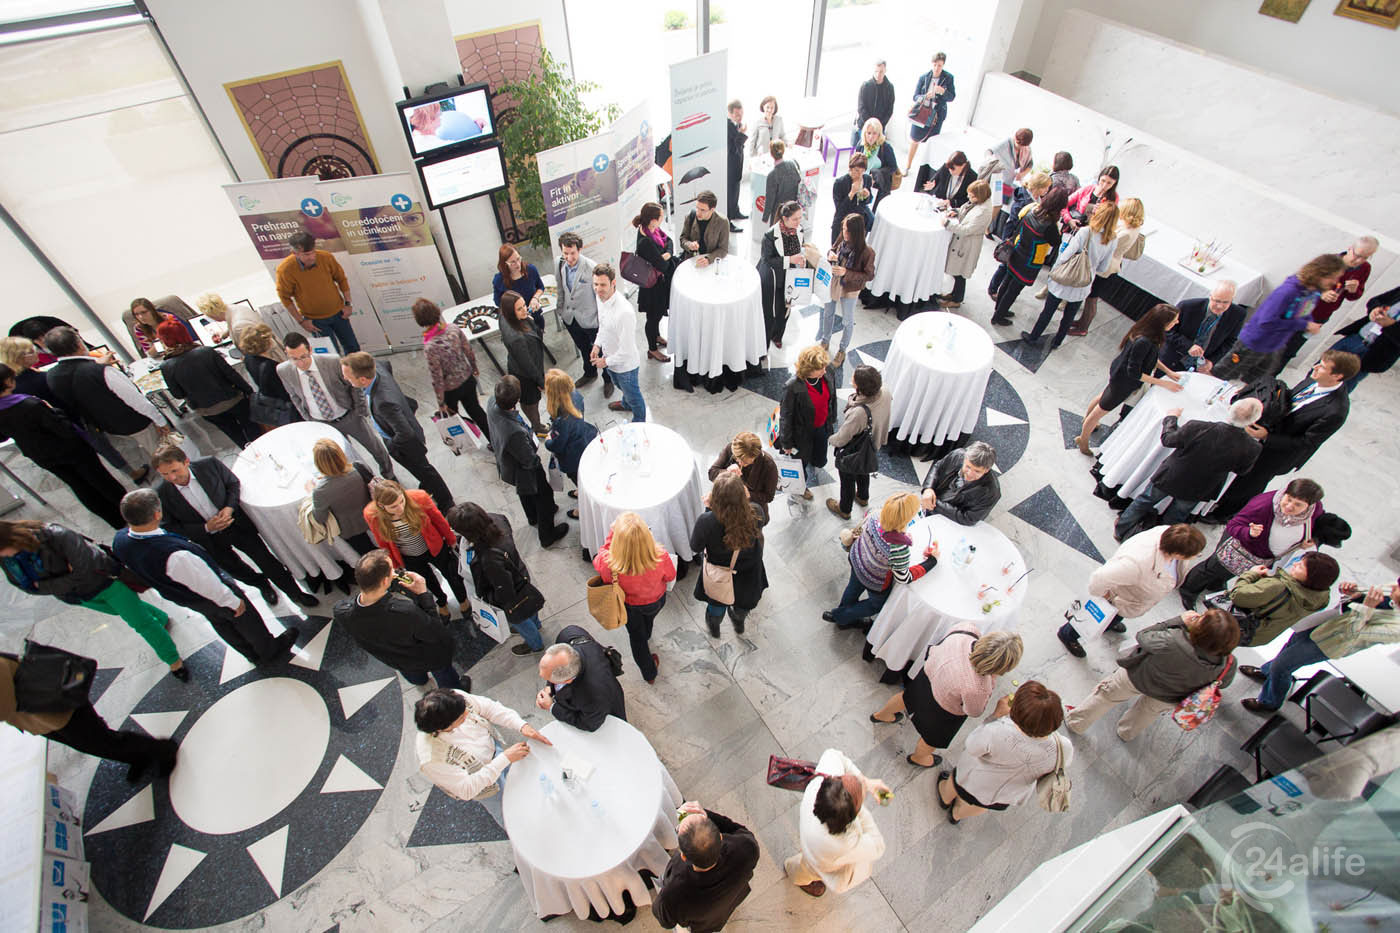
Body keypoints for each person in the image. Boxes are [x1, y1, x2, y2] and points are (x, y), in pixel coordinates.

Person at [113, 488, 297, 665]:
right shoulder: (173, 555)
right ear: (156, 515)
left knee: (221, 624)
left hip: (183, 596)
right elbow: (205, 584)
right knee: (245, 619)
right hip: (207, 595)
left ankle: (250, 654)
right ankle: (270, 650)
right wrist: (232, 601)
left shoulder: (120, 540)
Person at [0, 520, 186, 679]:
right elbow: (26, 587)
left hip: (106, 582)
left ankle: (172, 660)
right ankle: (161, 618)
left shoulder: (55, 536)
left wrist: (44, 585)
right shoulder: (8, 560)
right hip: (79, 596)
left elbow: (83, 570)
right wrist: (61, 582)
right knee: (124, 610)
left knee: (141, 623)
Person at [151, 444, 319, 608]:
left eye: (174, 470)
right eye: (165, 474)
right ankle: (261, 584)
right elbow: (170, 526)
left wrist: (229, 508)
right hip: (209, 539)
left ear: (186, 461)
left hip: (235, 524)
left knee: (266, 561)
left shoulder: (208, 464)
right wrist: (206, 528)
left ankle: (295, 593)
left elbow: (232, 484)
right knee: (236, 570)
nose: (172, 478)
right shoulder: (161, 493)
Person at [1210, 350, 1359, 516]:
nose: (1315, 367)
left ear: (1337, 376)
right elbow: (1290, 400)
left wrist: (1267, 437)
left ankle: (1224, 514)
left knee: (1248, 483)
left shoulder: (1335, 411)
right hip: (1267, 432)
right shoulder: (1314, 379)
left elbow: (1307, 442)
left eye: (1322, 367)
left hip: (1278, 453)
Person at [1, 652, 177, 784]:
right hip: (35, 717)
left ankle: (162, 750)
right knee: (90, 744)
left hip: (53, 704)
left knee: (101, 741)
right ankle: (137, 757)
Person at [1066, 609, 1239, 741]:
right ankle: (1126, 733)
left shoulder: (1172, 639)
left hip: (1137, 676)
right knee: (1146, 713)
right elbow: (1223, 683)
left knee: (1106, 697)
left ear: (1200, 630)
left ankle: (1077, 723)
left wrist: (1178, 620)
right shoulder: (1228, 664)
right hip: (1170, 696)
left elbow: (1143, 636)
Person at [1113, 398, 1264, 542]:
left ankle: (1121, 529)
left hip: (1172, 476)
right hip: (1201, 487)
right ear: (1253, 421)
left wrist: (1171, 418)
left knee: (1145, 501)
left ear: (1230, 409)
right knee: (1177, 516)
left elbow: (1168, 439)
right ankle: (1161, 542)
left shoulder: (1198, 427)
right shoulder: (1252, 447)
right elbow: (1242, 471)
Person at [870, 627, 1023, 768]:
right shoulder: (980, 687)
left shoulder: (966, 631)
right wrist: (992, 681)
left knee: (904, 698)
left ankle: (882, 715)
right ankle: (919, 758)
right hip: (944, 710)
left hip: (926, 679)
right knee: (932, 738)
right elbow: (973, 711)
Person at [1241, 580, 1400, 713]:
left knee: (1282, 665)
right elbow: (1354, 601)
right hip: (1325, 621)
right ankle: (1267, 672)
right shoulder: (1392, 589)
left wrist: (1367, 607)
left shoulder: (1396, 629)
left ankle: (1269, 702)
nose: (1394, 586)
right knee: (1290, 646)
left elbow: (1353, 634)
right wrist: (1351, 593)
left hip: (1331, 642)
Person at [0, 365, 126, 528]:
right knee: (103, 481)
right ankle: (133, 513)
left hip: (41, 455)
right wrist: (52, 410)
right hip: (70, 449)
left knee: (80, 487)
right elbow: (63, 429)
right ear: (8, 382)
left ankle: (116, 522)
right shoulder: (29, 404)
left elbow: (2, 437)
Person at [1057, 524, 1207, 659]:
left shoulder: (1169, 535)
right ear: (1179, 553)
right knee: (1091, 620)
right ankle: (1068, 635)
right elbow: (1098, 579)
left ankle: (1109, 624)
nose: (1196, 557)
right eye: (1196, 555)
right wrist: (1105, 596)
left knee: (1115, 617)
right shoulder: (1136, 564)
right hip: (1116, 601)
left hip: (1129, 602)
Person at [414, 688, 548, 831]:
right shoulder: (431, 759)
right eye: (461, 718)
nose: (468, 713)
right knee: (506, 812)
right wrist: (505, 758)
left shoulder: (455, 700)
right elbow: (466, 789)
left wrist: (521, 725)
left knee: (520, 784)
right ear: (443, 727)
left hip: (497, 753)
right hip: (484, 785)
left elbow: (488, 708)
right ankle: (523, 833)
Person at [1180, 479, 1326, 609]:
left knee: (1233, 572)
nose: (1289, 506)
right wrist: (1249, 533)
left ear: (1309, 506)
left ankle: (1215, 584)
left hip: (1264, 557)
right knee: (1212, 568)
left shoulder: (1315, 510)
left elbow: (1322, 525)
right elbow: (1233, 525)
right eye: (1288, 499)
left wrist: (1314, 539)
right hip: (1240, 547)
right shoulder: (1263, 505)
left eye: (1298, 505)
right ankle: (1189, 590)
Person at [938, 680, 1068, 825]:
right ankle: (956, 815)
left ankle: (944, 798)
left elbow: (972, 745)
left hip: (974, 780)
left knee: (954, 784)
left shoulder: (999, 731)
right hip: (1005, 794)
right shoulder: (1064, 747)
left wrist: (995, 716)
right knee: (982, 806)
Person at [44, 325, 171, 472]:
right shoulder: (102, 372)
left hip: (105, 427)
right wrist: (160, 421)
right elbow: (137, 401)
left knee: (145, 456)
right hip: (136, 423)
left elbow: (79, 382)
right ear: (79, 343)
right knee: (163, 456)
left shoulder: (52, 376)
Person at [334, 550, 465, 689]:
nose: (396, 572)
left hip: (395, 659)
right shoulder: (405, 612)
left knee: (411, 672)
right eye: (392, 570)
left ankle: (420, 681)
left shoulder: (341, 611)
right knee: (443, 671)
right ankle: (454, 689)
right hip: (427, 656)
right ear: (385, 581)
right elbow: (436, 632)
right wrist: (423, 595)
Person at [276, 332, 394, 478]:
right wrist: (309, 419)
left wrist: (359, 411)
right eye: (294, 359)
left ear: (310, 350)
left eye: (303, 357)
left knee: (374, 447)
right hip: (322, 423)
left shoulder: (332, 362)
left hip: (348, 416)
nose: (300, 363)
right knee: (344, 458)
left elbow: (353, 387)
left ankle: (389, 474)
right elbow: (294, 396)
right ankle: (364, 480)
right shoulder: (283, 370)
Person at [1214, 254, 1347, 382]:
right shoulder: (1288, 291)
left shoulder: (1313, 293)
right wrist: (1304, 325)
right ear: (1320, 273)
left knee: (1255, 383)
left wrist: (1309, 323)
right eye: (1333, 277)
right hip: (1253, 344)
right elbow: (1266, 322)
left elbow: (1304, 313)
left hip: (1275, 345)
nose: (1335, 282)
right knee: (1222, 375)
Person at [1073, 304, 1185, 455]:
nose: (1177, 322)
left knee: (1103, 396)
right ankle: (1083, 440)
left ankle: (1087, 420)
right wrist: (1163, 383)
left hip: (1119, 375)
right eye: (1174, 320)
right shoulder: (1144, 341)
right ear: (1162, 322)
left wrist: (1168, 372)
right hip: (1123, 381)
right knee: (1100, 411)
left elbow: (1150, 358)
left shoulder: (1148, 333)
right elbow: (1134, 373)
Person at [823, 492, 938, 629]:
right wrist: (931, 561)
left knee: (852, 588)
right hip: (874, 579)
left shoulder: (875, 515)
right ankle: (841, 617)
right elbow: (903, 577)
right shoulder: (898, 547)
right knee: (876, 605)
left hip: (857, 560)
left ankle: (843, 618)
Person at [785, 748, 889, 897]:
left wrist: (864, 782)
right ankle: (797, 877)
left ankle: (795, 868)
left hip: (808, 835)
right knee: (807, 871)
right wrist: (861, 809)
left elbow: (833, 754)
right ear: (851, 816)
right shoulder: (844, 844)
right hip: (818, 858)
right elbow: (878, 846)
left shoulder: (820, 783)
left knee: (805, 864)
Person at [447, 502, 546, 656]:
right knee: (529, 607)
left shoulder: (489, 558)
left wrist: (490, 600)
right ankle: (536, 624)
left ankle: (535, 644)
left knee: (519, 620)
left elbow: (505, 592)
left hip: (513, 593)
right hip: (520, 573)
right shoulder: (497, 519)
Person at [1021, 200, 1121, 349]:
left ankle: (1034, 337)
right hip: (1084, 282)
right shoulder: (1112, 239)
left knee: (1048, 311)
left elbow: (1066, 255)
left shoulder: (1086, 232)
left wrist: (1055, 269)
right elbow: (1103, 267)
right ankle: (1057, 342)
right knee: (1069, 315)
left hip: (1065, 277)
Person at [363, 479, 469, 618]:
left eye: (402, 501)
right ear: (381, 506)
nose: (400, 508)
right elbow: (382, 541)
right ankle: (441, 603)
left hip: (435, 547)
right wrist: (394, 563)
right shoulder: (372, 515)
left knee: (452, 575)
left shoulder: (419, 498)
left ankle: (463, 600)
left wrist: (451, 540)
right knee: (427, 582)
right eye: (393, 507)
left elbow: (439, 521)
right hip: (409, 557)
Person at [652, 801, 760, 933]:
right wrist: (707, 815)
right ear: (720, 836)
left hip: (703, 926)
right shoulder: (747, 849)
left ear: (684, 856)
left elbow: (665, 920)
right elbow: (736, 829)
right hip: (731, 902)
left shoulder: (672, 895)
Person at [486, 377, 569, 547]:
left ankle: (532, 517)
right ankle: (547, 535)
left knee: (525, 492)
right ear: (517, 400)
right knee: (544, 495)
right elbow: (529, 459)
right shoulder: (514, 432)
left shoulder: (492, 402)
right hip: (522, 468)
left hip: (508, 463)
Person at [594, 512, 675, 683]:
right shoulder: (660, 555)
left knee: (637, 638)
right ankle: (647, 633)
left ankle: (649, 674)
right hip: (656, 601)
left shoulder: (610, 564)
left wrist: (611, 535)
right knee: (648, 620)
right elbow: (670, 576)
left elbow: (599, 557)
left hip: (629, 606)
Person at [1277, 237, 1379, 369]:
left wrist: (1354, 290)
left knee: (1291, 350)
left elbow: (1353, 296)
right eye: (1357, 255)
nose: (1358, 261)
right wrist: (1321, 293)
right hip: (1299, 311)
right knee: (1277, 342)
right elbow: (1300, 282)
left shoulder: (1365, 268)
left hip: (1320, 316)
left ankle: (1272, 377)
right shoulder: (1328, 262)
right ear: (1350, 249)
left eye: (1365, 257)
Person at [157, 319, 258, 448]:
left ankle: (248, 452)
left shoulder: (166, 366)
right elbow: (231, 375)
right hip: (233, 399)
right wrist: (249, 391)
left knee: (235, 434)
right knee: (252, 430)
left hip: (207, 410)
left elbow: (177, 394)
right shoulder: (206, 351)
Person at [691, 472, 768, 637]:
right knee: (742, 607)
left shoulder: (706, 522)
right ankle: (739, 624)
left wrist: (709, 508)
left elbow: (695, 546)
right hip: (749, 576)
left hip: (719, 575)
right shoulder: (756, 512)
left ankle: (715, 629)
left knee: (716, 607)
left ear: (715, 497)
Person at [414, 298, 490, 445]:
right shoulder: (453, 329)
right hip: (467, 378)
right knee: (476, 411)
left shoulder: (430, 346)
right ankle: (494, 440)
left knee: (454, 419)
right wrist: (474, 368)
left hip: (450, 390)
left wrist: (441, 402)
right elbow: (468, 350)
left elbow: (437, 377)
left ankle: (464, 444)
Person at [1225, 551, 1338, 647]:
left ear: (1310, 577)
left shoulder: (1277, 587)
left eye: (1300, 566)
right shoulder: (1320, 599)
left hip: (1233, 627)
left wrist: (1252, 574)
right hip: (1257, 636)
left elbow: (1237, 595)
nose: (1295, 564)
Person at [989, 186, 1067, 326]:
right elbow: (1056, 242)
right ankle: (998, 316)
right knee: (1014, 290)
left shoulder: (1032, 209)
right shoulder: (1050, 225)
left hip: (1017, 251)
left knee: (1007, 282)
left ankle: (999, 309)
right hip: (1030, 260)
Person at [1068, 196, 1143, 337]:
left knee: (1092, 298)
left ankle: (1083, 327)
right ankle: (1081, 322)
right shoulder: (1132, 227)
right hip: (1110, 264)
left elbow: (1108, 243)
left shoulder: (1126, 232)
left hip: (1107, 268)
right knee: (1090, 296)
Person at [276, 231, 358, 353]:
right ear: (295, 253)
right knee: (330, 355)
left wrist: (348, 304)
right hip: (315, 321)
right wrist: (301, 321)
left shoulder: (326, 257)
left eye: (313, 252)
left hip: (339, 313)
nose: (312, 257)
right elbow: (284, 297)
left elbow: (341, 279)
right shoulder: (285, 270)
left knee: (353, 348)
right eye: (306, 254)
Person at [827, 366, 891, 520]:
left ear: (860, 387)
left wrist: (830, 439)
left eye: (854, 378)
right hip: (871, 444)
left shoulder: (859, 413)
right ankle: (863, 497)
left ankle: (844, 509)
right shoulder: (885, 392)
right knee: (863, 470)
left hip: (854, 451)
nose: (851, 379)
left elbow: (842, 438)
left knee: (847, 479)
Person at [536, 625, 626, 731]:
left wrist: (552, 707)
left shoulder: (594, 696)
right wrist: (549, 687)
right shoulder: (569, 634)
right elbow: (552, 665)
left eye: (549, 679)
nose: (540, 675)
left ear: (568, 680)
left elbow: (589, 724)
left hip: (606, 710)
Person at [779, 345, 838, 499]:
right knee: (800, 463)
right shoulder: (792, 387)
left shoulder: (828, 373)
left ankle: (815, 460)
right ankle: (801, 486)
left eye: (824, 366)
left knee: (820, 458)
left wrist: (832, 419)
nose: (824, 370)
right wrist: (786, 443)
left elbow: (832, 399)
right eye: (820, 368)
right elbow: (786, 417)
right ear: (808, 369)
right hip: (802, 434)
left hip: (822, 427)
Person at [983, 172, 1052, 303]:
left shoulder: (1033, 198)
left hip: (1019, 239)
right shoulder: (1025, 201)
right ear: (1038, 186)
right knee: (1005, 265)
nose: (1047, 190)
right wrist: (1008, 240)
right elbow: (1012, 222)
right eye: (1046, 187)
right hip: (1014, 239)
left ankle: (997, 290)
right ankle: (993, 289)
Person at [590, 263, 646, 420]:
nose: (598, 289)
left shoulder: (624, 312)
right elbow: (603, 325)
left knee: (635, 398)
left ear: (613, 283)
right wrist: (597, 345)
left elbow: (626, 351)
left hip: (625, 367)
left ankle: (639, 422)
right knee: (621, 387)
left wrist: (605, 362)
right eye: (595, 284)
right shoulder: (600, 297)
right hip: (610, 361)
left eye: (602, 285)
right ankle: (626, 404)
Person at [817, 214, 876, 363]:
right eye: (843, 229)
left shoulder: (867, 252)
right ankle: (825, 340)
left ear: (856, 232)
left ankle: (842, 350)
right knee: (828, 313)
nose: (844, 233)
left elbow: (869, 275)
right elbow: (832, 249)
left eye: (848, 231)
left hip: (850, 288)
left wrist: (846, 272)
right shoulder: (842, 238)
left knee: (847, 320)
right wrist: (831, 254)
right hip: (834, 282)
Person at [555, 233, 609, 393]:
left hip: (591, 320)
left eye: (572, 253)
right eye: (565, 253)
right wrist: (560, 310)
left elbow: (601, 298)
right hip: (571, 318)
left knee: (602, 351)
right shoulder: (559, 263)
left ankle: (608, 379)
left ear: (579, 249)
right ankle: (590, 373)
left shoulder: (592, 268)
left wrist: (602, 321)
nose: (569, 257)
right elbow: (560, 287)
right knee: (583, 348)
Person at [1159, 280, 1248, 373]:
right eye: (1217, 300)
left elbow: (1230, 341)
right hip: (1171, 360)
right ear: (1210, 296)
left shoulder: (1238, 314)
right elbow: (1166, 330)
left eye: (1226, 302)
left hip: (1198, 366)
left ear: (1232, 300)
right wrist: (1188, 346)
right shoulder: (1187, 306)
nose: (1220, 306)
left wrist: (1212, 361)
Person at [543, 369, 596, 518]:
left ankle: (584, 509)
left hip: (572, 455)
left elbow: (558, 445)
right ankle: (581, 490)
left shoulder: (562, 419)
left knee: (579, 480)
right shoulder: (576, 395)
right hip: (583, 439)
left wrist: (548, 441)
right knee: (581, 476)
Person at [1327, 283, 1400, 391]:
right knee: (1319, 370)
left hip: (1373, 353)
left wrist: (1391, 325)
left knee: (1339, 388)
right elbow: (1375, 300)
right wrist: (1374, 308)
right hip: (1355, 338)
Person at [497, 290, 551, 433]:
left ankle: (536, 424)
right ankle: (537, 426)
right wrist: (540, 382)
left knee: (530, 400)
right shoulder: (516, 338)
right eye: (519, 309)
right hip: (525, 375)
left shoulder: (505, 316)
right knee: (531, 402)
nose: (525, 310)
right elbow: (528, 365)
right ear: (510, 312)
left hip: (522, 364)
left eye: (524, 305)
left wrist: (530, 320)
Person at [936, 179, 996, 309]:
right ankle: (954, 295)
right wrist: (957, 212)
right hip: (963, 243)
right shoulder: (978, 203)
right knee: (957, 271)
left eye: (972, 196)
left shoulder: (983, 212)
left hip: (967, 246)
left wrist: (947, 224)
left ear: (979, 196)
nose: (969, 197)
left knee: (960, 273)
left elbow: (967, 230)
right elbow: (967, 211)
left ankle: (957, 299)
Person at [310, 438, 376, 555]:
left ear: (318, 464)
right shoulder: (358, 467)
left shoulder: (320, 491)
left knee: (368, 553)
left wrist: (312, 491)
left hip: (351, 529)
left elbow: (319, 518)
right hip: (373, 514)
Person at [757, 201, 806, 349]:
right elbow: (767, 260)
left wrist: (801, 259)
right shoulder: (770, 236)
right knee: (770, 311)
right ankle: (764, 343)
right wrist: (790, 260)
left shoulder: (799, 230)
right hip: (773, 278)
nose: (799, 222)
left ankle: (778, 336)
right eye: (795, 219)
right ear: (785, 218)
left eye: (800, 218)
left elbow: (801, 249)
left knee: (785, 310)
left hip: (790, 277)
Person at [631, 203, 676, 363]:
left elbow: (669, 240)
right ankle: (652, 349)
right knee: (653, 317)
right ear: (653, 220)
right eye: (661, 216)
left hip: (658, 283)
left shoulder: (652, 230)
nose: (663, 218)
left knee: (656, 315)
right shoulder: (646, 242)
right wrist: (667, 255)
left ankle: (656, 336)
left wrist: (667, 253)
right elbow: (663, 266)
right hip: (653, 287)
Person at [919, 442, 1001, 526]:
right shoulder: (957, 455)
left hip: (949, 522)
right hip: (930, 503)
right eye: (968, 467)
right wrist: (928, 489)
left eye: (977, 471)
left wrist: (934, 503)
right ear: (965, 458)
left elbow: (968, 518)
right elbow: (938, 467)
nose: (970, 474)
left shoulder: (991, 493)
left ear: (986, 470)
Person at [237, 323, 299, 428]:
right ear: (265, 343)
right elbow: (284, 391)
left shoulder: (248, 358)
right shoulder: (270, 366)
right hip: (286, 407)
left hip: (272, 404)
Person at [709, 432, 779, 520]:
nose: (740, 463)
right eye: (737, 458)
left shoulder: (768, 465)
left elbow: (769, 496)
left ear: (755, 456)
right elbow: (711, 473)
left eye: (745, 462)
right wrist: (727, 472)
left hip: (753, 514)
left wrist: (749, 494)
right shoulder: (730, 449)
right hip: (728, 509)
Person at [905, 52, 956, 173]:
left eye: (940, 65)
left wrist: (942, 92)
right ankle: (907, 166)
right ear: (932, 64)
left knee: (932, 143)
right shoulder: (924, 77)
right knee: (914, 139)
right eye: (935, 65)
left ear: (943, 65)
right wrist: (924, 97)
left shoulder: (948, 78)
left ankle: (926, 171)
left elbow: (952, 97)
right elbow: (915, 96)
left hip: (937, 115)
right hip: (922, 112)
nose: (937, 68)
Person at [988, 127, 1035, 233]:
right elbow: (989, 151)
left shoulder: (1026, 149)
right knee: (994, 203)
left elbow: (1030, 164)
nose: (1020, 146)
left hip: (1008, 181)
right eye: (1018, 143)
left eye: (1023, 145)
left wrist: (1022, 174)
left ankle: (987, 227)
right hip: (998, 178)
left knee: (998, 204)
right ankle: (986, 227)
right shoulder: (1006, 143)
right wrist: (992, 162)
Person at [491, 245, 547, 332]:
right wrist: (517, 310)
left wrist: (535, 298)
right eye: (512, 262)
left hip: (535, 317)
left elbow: (540, 287)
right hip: (516, 323)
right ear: (505, 264)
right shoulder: (499, 280)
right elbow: (498, 302)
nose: (518, 264)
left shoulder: (531, 270)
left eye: (518, 259)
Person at [831, 153, 875, 245]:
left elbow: (868, 201)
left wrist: (867, 196)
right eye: (856, 170)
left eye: (862, 171)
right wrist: (851, 193)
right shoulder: (840, 183)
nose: (859, 174)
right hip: (843, 221)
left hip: (858, 222)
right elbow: (840, 210)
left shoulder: (866, 179)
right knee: (837, 247)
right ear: (850, 168)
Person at [129, 298, 197, 357]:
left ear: (152, 310)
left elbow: (183, 340)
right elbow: (149, 353)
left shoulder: (169, 318)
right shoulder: (139, 328)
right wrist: (162, 338)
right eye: (136, 314)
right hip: (162, 357)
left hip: (182, 352)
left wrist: (159, 342)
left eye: (144, 312)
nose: (140, 317)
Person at [854, 118, 899, 207]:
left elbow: (893, 167)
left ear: (879, 134)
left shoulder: (886, 147)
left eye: (874, 133)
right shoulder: (861, 145)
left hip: (879, 187)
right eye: (869, 133)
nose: (871, 137)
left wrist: (876, 174)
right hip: (862, 184)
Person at [678, 190, 730, 267]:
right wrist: (689, 245)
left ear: (712, 210)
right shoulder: (690, 216)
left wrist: (709, 259)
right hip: (692, 261)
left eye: (702, 210)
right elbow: (683, 239)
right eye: (697, 208)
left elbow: (723, 249)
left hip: (712, 263)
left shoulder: (722, 222)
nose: (698, 213)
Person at [1061, 166, 1120, 232]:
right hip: (1074, 228)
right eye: (1103, 180)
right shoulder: (1088, 189)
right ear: (1099, 178)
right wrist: (1069, 220)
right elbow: (1063, 203)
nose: (1104, 185)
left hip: (1093, 232)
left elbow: (1110, 221)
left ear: (1114, 183)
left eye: (1109, 183)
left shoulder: (1114, 198)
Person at [853, 60, 895, 148]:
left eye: (881, 72)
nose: (878, 74)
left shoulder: (890, 88)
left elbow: (889, 110)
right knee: (861, 151)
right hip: (864, 126)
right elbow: (861, 108)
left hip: (879, 127)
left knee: (877, 151)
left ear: (885, 71)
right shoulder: (866, 86)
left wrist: (878, 126)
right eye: (876, 71)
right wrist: (870, 125)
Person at [761, 142, 801, 227]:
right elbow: (798, 180)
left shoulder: (772, 175)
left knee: (777, 233)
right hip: (792, 208)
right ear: (783, 151)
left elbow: (770, 199)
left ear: (771, 154)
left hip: (778, 213)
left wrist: (765, 217)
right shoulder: (792, 164)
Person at [726, 100, 747, 227]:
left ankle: (735, 211)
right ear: (730, 113)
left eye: (741, 114)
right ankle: (728, 220)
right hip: (730, 164)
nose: (740, 117)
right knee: (729, 192)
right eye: (737, 115)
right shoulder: (727, 125)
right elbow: (733, 146)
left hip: (737, 162)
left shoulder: (737, 124)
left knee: (736, 188)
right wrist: (742, 134)